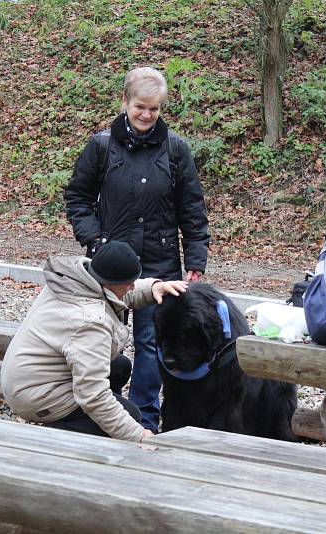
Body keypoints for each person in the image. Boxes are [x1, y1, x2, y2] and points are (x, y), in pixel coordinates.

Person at [64, 66, 210, 433]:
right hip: (110, 264)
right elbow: (77, 198)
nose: (146, 115)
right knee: (101, 336)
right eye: (140, 107)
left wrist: (195, 259)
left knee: (150, 344)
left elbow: (192, 208)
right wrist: (96, 242)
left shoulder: (176, 150)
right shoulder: (101, 146)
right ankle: (102, 405)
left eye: (154, 109)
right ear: (125, 102)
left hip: (161, 262)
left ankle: (145, 417)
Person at [0, 241, 188, 442]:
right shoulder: (89, 322)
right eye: (129, 282)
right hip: (35, 396)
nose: (133, 285)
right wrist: (138, 435)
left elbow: (114, 293)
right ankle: (60, 435)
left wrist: (154, 287)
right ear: (111, 282)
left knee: (120, 366)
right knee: (131, 415)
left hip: (27, 375)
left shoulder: (76, 279)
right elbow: (94, 397)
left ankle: (94, 422)